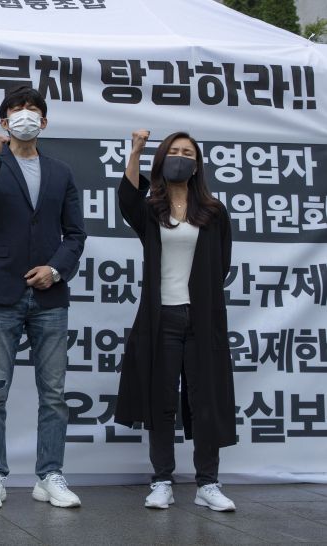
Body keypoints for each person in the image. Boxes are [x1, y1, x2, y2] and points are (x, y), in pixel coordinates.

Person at [0, 86, 86, 509]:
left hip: (49, 297)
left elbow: (75, 234)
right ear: (4, 121)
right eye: (17, 109)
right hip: (0, 291)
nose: (25, 115)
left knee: (53, 391)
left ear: (45, 122)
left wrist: (54, 269)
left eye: (33, 110)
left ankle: (49, 474)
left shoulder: (61, 171)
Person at [114, 129, 237, 512]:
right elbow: (125, 200)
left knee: (206, 401)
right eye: (175, 151)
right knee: (161, 400)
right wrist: (135, 150)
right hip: (160, 318)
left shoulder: (214, 211)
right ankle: (162, 480)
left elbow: (222, 264)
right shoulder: (151, 209)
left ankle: (208, 483)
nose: (181, 157)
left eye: (188, 152)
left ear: (197, 164)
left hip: (201, 319)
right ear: (164, 159)